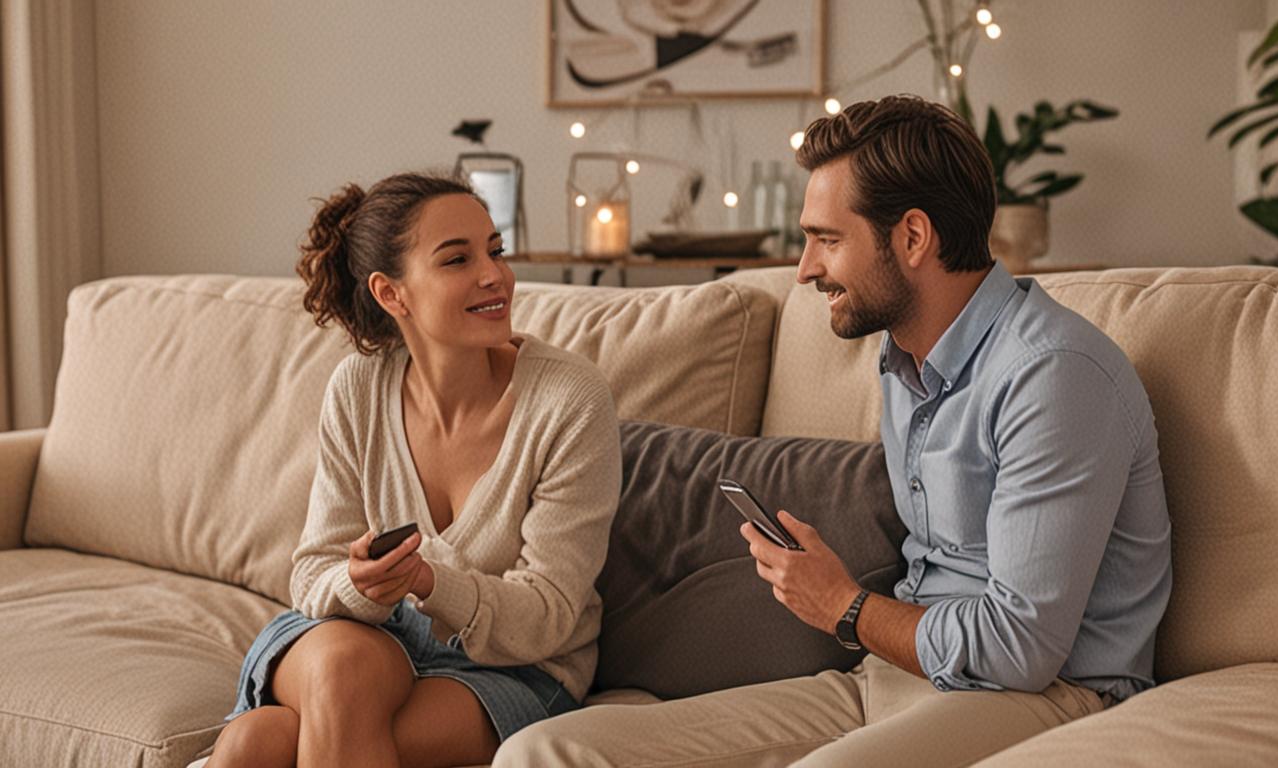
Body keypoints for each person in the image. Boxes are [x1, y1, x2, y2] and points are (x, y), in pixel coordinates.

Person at [494, 95, 1172, 767]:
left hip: (1046, 695)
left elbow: (1019, 649)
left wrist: (844, 606)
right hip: (892, 678)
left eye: (827, 239)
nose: (805, 270)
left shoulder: (1052, 376)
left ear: (912, 237)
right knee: (548, 749)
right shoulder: (902, 357)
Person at [207, 172, 621, 768]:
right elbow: (313, 573)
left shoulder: (569, 400)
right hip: (368, 639)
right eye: (458, 259)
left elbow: (550, 615)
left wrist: (430, 581)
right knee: (338, 674)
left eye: (495, 251)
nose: (495, 275)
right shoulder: (357, 389)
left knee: (257, 744)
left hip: (510, 666)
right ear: (391, 293)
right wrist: (360, 583)